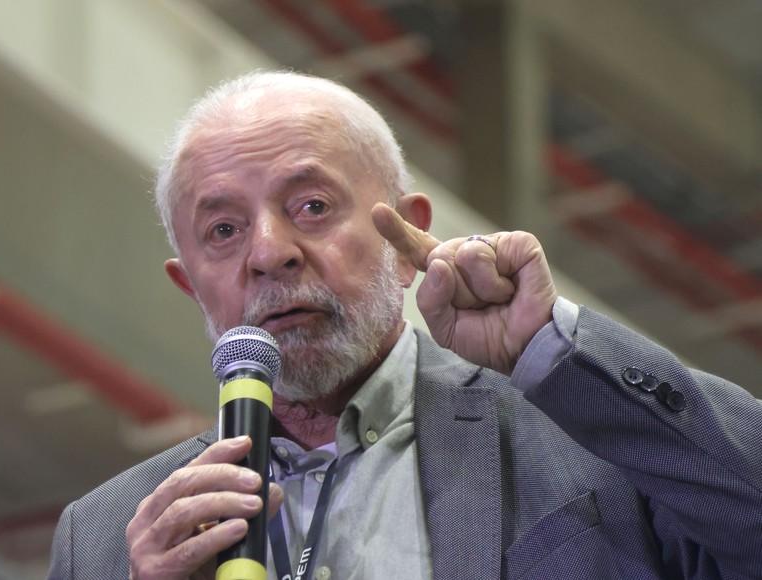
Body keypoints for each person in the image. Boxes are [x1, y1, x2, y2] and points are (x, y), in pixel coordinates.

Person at [47, 70, 762, 580]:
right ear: (189, 284)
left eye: (312, 207)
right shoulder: (107, 538)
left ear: (406, 237)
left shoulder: (585, 430)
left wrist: (552, 347)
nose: (269, 253)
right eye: (224, 229)